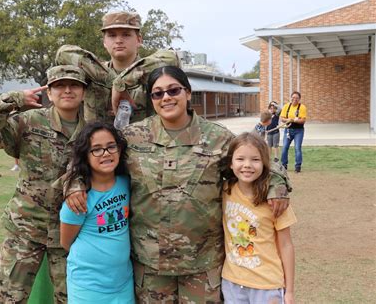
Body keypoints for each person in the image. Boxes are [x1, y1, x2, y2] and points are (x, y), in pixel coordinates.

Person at [62, 66, 292, 303]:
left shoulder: (217, 138)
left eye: (173, 90)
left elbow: (257, 159)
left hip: (202, 265)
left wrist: (277, 185)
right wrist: (75, 184)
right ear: (151, 99)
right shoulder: (132, 137)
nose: (166, 98)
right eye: (157, 93)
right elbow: (90, 159)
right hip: (151, 266)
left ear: (188, 93)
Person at [0, 65, 87, 303]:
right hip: (26, 228)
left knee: (73, 298)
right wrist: (10, 100)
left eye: (74, 85)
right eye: (59, 85)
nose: (67, 90)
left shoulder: (92, 130)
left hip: (69, 233)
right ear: (49, 92)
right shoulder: (30, 122)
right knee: (6, 297)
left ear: (83, 92)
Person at [55, 11, 180, 124]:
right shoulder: (93, 72)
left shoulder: (152, 71)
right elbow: (63, 53)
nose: (119, 40)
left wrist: (122, 82)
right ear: (104, 41)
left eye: (126, 35)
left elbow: (172, 58)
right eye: (112, 35)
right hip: (98, 147)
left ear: (139, 40)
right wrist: (112, 80)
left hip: (143, 146)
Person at [59, 122, 134, 304]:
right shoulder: (78, 198)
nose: (106, 153)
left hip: (123, 283)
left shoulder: (128, 183)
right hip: (88, 287)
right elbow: (66, 242)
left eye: (110, 147)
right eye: (96, 149)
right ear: (86, 155)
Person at [221, 132, 296, 304]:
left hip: (267, 285)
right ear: (231, 163)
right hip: (232, 282)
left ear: (264, 163)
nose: (247, 165)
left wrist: (290, 291)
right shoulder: (225, 191)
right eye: (240, 159)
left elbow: (286, 245)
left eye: (255, 160)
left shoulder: (276, 201)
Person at [280, 91, 307, 172]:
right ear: (291, 98)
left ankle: (297, 166)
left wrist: (295, 120)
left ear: (299, 99)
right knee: (284, 147)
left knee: (297, 148)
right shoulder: (286, 106)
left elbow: (303, 120)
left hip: (299, 131)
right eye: (293, 97)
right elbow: (282, 118)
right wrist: (288, 120)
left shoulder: (302, 107)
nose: (294, 99)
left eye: (297, 98)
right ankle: (284, 165)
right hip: (288, 130)